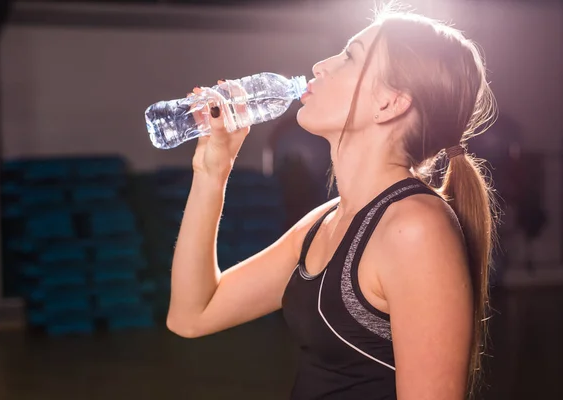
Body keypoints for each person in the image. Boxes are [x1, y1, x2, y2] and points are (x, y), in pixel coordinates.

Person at [167, 7, 497, 400]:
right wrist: (212, 171)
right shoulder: (324, 222)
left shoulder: (414, 228)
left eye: (350, 57)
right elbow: (192, 314)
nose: (320, 66)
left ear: (390, 103)